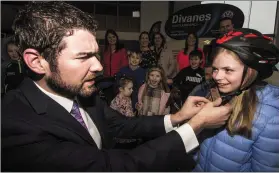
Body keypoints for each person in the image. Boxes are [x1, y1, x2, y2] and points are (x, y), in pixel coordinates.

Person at [2, 2, 232, 171]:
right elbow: (117, 166)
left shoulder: (79, 92)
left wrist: (178, 117)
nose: (99, 66)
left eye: (96, 55)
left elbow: (123, 126)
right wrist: (195, 126)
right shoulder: (15, 125)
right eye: (83, 57)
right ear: (36, 61)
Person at [191, 28, 279, 171]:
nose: (217, 76)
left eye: (228, 70)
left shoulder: (270, 117)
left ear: (251, 71)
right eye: (215, 69)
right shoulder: (218, 95)